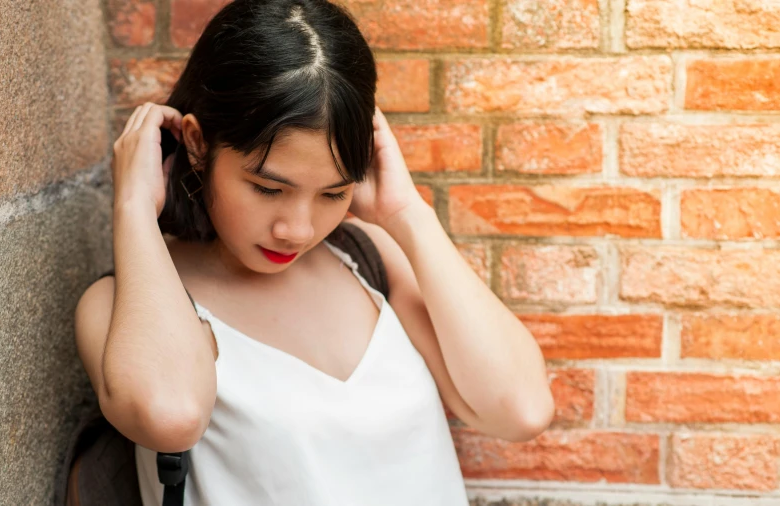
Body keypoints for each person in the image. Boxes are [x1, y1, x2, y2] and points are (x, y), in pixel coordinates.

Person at [73, 1, 554, 504]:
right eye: (267, 188)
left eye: (332, 194)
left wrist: (407, 213)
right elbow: (168, 415)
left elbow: (520, 410)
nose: (297, 230)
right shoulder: (119, 306)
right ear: (197, 144)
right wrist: (133, 207)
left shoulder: (371, 260)